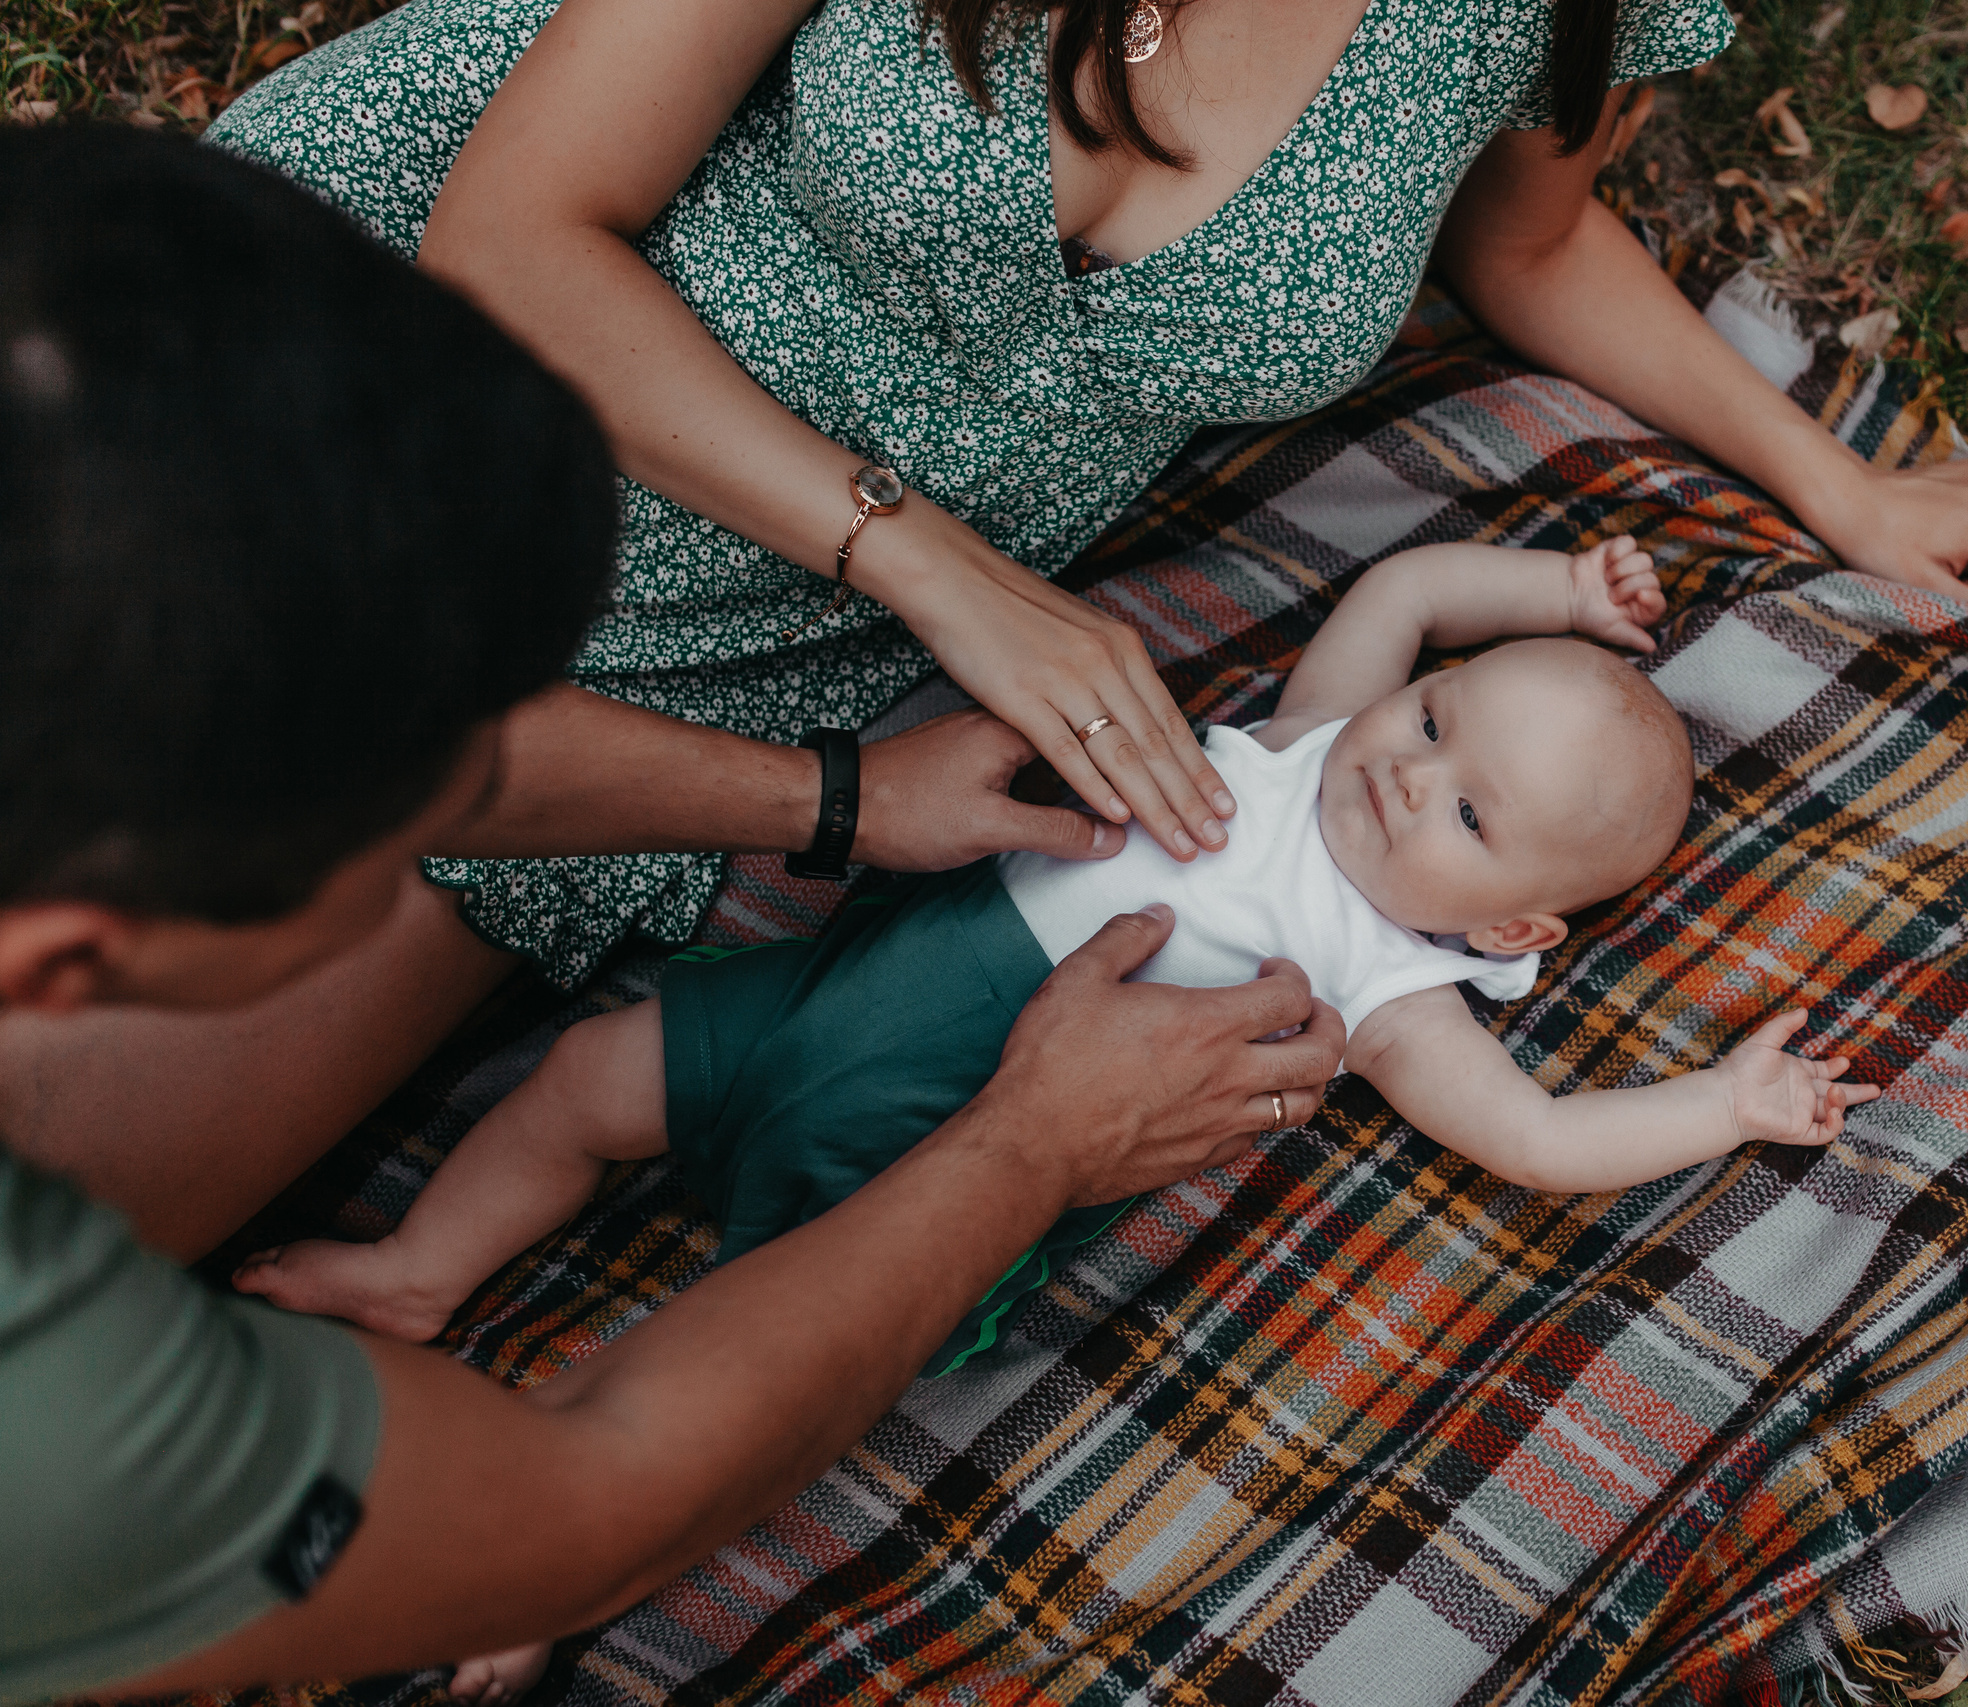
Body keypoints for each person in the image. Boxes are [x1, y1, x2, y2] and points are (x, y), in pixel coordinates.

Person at [0, 0, 1968, 1281]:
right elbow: (518, 234)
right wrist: (926, 564)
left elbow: (1519, 239)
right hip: (441, 385)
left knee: (63, 1217)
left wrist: (1840, 485)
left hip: (703, 659)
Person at [0, 125, 1344, 1706]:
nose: (457, 814)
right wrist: (1038, 1142)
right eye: (392, 836)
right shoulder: (55, 1417)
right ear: (77, 960)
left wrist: (835, 798)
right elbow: (589, 1510)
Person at [231, 537, 1881, 1702]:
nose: (1403, 771)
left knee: (732, 1358)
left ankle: (563, 1558)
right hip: (818, 1012)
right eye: (1437, 718)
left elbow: (1534, 1143)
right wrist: (1566, 597)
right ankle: (421, 1272)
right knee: (590, 1080)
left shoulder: (1383, 986)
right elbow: (1403, 587)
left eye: (1465, 808)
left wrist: (1724, 1103)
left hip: (926, 1170)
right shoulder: (1314, 746)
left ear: (1515, 930)